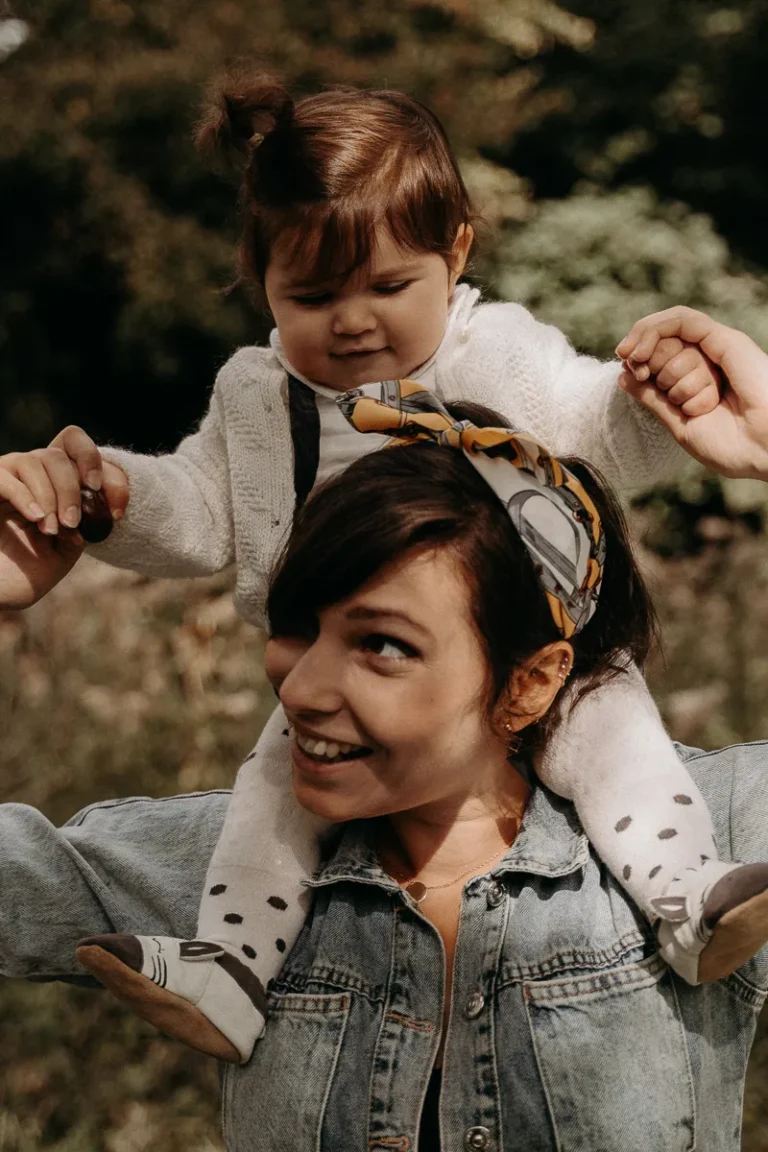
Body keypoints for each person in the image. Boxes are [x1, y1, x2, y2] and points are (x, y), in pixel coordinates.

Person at [0, 73, 730, 1063]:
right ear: (260, 281)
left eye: (389, 286)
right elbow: (206, 508)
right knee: (271, 798)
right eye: (311, 294)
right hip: (338, 687)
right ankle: (232, 971)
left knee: (623, 743)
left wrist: (661, 396)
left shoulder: (496, 360)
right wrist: (114, 502)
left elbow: (598, 423)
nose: (352, 323)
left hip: (547, 653)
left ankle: (688, 905)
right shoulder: (261, 398)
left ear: (456, 253)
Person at [3, 310, 768, 1150]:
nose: (301, 686)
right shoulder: (223, 872)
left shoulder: (719, 852)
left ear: (532, 681)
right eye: (299, 626)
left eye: (382, 645)